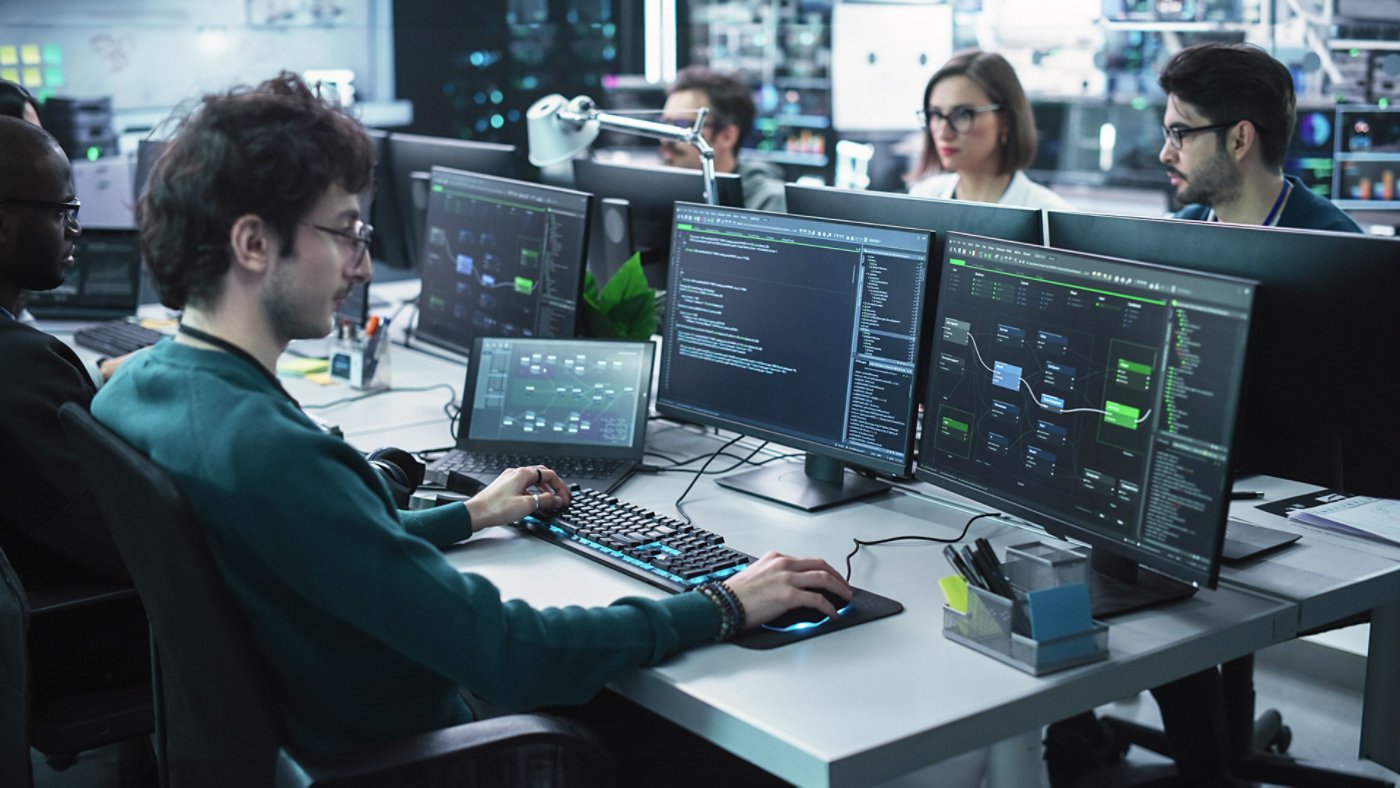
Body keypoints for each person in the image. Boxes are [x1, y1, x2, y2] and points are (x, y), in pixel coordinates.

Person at [92, 72, 851, 765]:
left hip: (304, 739)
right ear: (254, 243)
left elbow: (324, 537)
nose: (362, 265)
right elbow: (513, 654)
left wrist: (473, 514)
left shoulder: (139, 387)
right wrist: (722, 603)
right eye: (346, 232)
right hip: (417, 753)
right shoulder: (268, 449)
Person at [0, 116, 149, 698]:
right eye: (64, 211)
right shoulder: (21, 366)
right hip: (79, 636)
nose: (76, 229)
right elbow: (136, 542)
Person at [1159, 42, 1360, 232]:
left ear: (1240, 140)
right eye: (1167, 134)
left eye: (1179, 134)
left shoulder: (1338, 247)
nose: (1165, 155)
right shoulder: (1181, 232)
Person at [910, 50, 1073, 211]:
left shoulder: (1050, 214)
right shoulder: (922, 199)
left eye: (962, 114)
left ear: (1005, 120)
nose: (943, 133)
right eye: (936, 114)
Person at [660, 65, 787, 212]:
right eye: (665, 123)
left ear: (727, 136)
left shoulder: (768, 203)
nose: (665, 139)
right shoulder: (666, 193)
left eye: (682, 125)